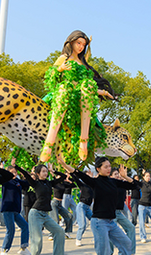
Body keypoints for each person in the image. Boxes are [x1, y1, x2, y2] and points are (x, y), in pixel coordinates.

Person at [63, 157, 137, 255]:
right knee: (104, 253)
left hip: (111, 222)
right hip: (99, 222)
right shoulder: (95, 182)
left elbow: (134, 186)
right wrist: (63, 164)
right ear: (98, 169)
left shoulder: (114, 182)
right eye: (106, 167)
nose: (109, 169)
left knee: (126, 243)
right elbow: (78, 173)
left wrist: (126, 177)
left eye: (110, 166)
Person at [39, 30, 115, 163]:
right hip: (64, 95)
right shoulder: (63, 58)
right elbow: (50, 77)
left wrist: (103, 92)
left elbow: (88, 86)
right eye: (78, 43)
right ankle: (48, 143)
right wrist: (60, 69)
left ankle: (83, 141)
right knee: (64, 88)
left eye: (83, 44)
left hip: (81, 98)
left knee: (87, 84)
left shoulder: (83, 62)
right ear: (71, 42)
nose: (80, 46)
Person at [15, 164, 66, 255]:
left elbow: (63, 177)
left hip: (45, 214)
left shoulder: (49, 183)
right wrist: (16, 166)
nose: (45, 173)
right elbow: (25, 174)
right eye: (43, 171)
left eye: (46, 171)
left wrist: (54, 171)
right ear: (38, 174)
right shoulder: (35, 183)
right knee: (37, 239)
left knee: (59, 231)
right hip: (35, 214)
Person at [0, 162, 29, 255]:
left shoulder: (18, 181)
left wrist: (23, 172)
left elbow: (28, 183)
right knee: (10, 230)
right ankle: (4, 249)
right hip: (8, 209)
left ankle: (23, 248)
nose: (14, 174)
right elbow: (1, 177)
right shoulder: (6, 181)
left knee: (25, 226)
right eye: (12, 172)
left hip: (16, 210)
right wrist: (2, 170)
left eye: (15, 172)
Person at [74, 168, 95, 247]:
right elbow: (75, 178)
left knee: (94, 222)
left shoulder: (92, 185)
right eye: (86, 175)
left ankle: (95, 238)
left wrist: (92, 178)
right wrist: (71, 172)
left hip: (88, 207)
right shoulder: (82, 184)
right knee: (83, 225)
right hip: (81, 206)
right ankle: (78, 239)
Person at [137, 170, 151, 242]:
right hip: (142, 206)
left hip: (149, 206)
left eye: (149, 176)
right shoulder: (141, 184)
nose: (148, 177)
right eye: (146, 176)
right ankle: (143, 237)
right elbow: (134, 182)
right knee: (141, 222)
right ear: (143, 177)